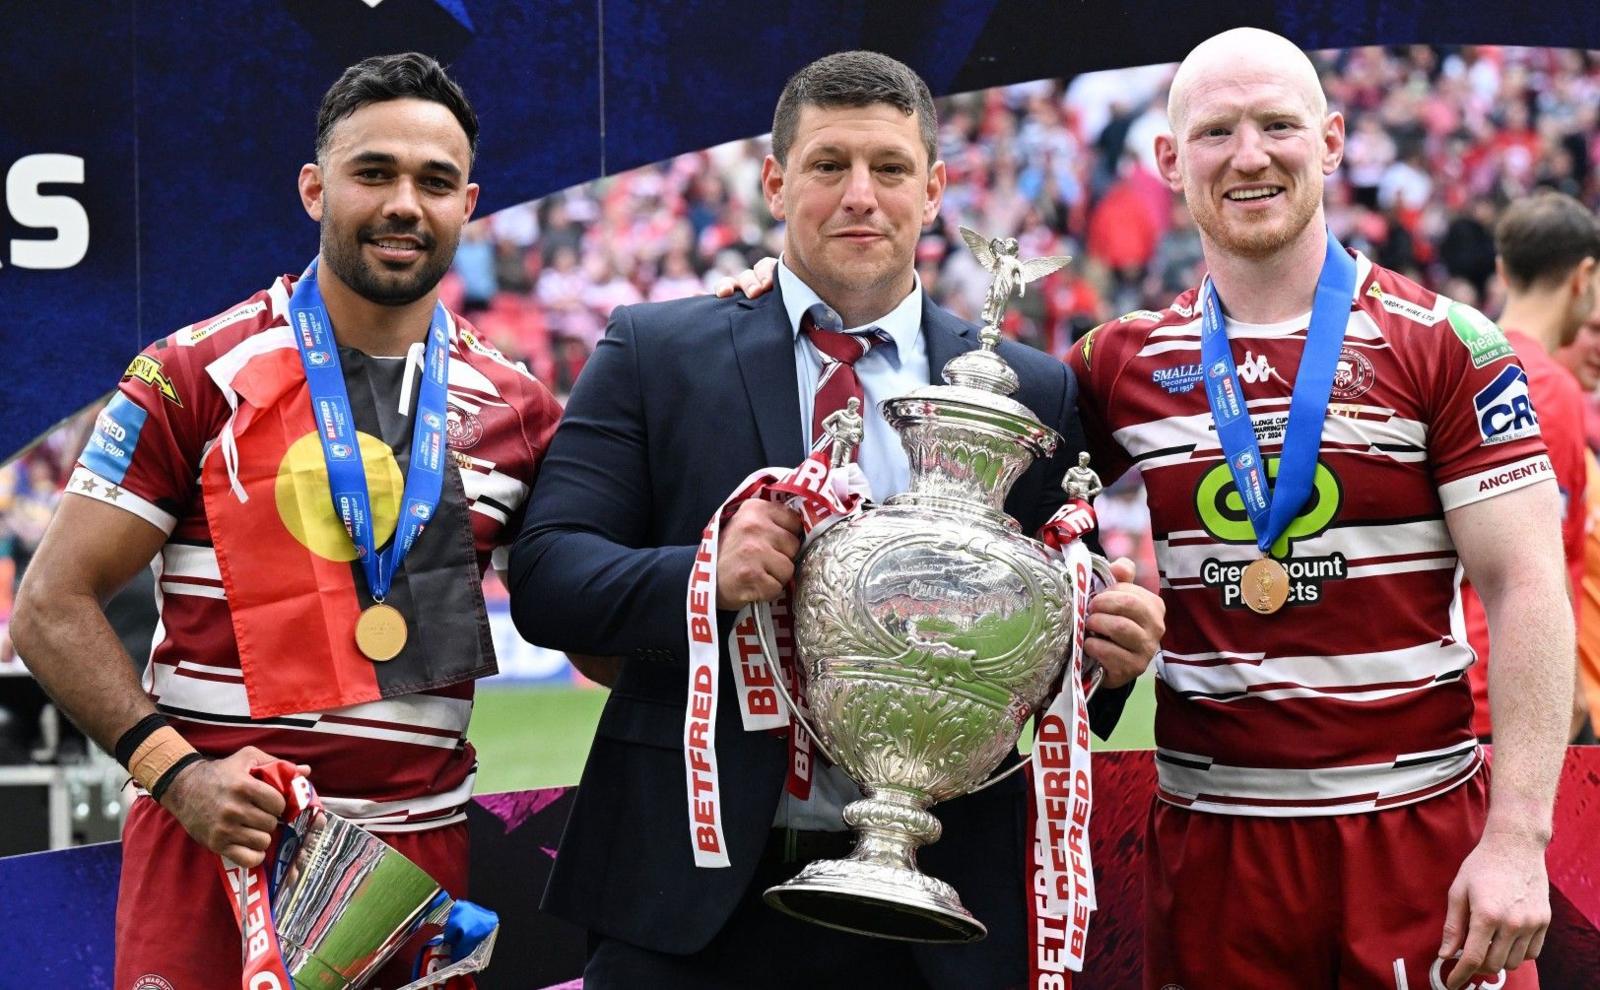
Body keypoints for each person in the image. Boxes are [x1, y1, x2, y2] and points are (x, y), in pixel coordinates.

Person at [509, 50, 1164, 989]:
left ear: (933, 190)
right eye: (828, 165)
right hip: (688, 903)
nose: (861, 194)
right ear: (776, 182)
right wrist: (704, 571)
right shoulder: (656, 349)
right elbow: (547, 577)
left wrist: (1108, 650)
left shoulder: (1029, 389)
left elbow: (1044, 627)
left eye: (890, 168)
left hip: (940, 912)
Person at [11, 53, 562, 989]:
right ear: (315, 188)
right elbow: (48, 607)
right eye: (373, 172)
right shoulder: (193, 371)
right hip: (217, 851)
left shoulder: (517, 410)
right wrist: (179, 776)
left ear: (468, 204)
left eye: (434, 182)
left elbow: (588, 623)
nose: (403, 203)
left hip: (412, 873)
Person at [1064, 28, 1571, 990]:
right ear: (1169, 161)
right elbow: (995, 503)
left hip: (1420, 837)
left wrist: (1517, 836)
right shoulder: (1116, 362)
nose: (1249, 155)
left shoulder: (1449, 343)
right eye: (1215, 131)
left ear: (1332, 141)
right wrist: (769, 296)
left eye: (1277, 125)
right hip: (1214, 843)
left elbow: (1526, 583)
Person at [1462, 192, 1600, 743]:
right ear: (1583, 276)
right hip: (1511, 694)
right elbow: (1543, 563)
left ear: (1501, 268)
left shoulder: (1454, 357)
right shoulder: (1547, 387)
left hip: (1455, 683)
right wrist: (1565, 699)